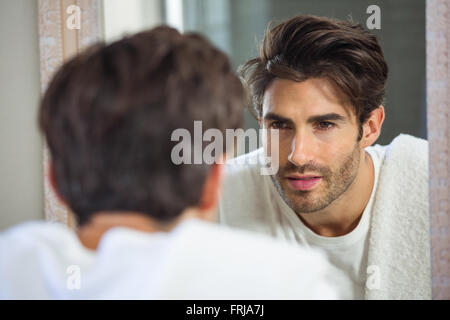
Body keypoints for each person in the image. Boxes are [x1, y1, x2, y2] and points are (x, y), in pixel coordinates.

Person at [0, 26, 337, 299]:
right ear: (213, 182)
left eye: (324, 124)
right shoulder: (285, 282)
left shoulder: (14, 263)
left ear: (55, 181)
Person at [219, 15, 430, 300]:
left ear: (370, 127)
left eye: (324, 125)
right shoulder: (222, 197)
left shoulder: (432, 192)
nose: (298, 155)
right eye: (279, 125)